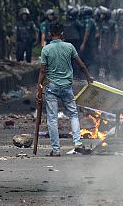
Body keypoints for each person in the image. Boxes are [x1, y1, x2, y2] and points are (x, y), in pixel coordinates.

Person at [36, 22, 93, 156]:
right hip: (67, 87)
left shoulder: (46, 49)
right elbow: (81, 65)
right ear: (62, 34)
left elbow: (43, 71)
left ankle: (56, 150)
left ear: (50, 34)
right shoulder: (70, 47)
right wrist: (89, 77)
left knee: (52, 119)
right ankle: (78, 142)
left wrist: (38, 86)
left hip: (51, 87)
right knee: (73, 114)